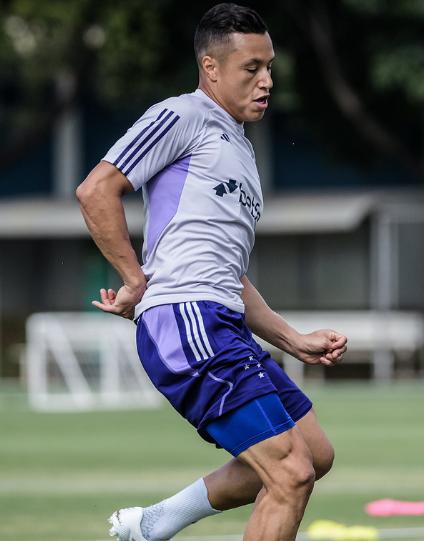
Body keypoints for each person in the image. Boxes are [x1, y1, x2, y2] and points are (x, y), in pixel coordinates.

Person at [76, 4, 348, 540]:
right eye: (252, 68)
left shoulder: (241, 151)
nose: (267, 81)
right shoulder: (182, 115)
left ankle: (154, 524)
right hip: (186, 320)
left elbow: (226, 271)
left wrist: (291, 339)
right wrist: (135, 279)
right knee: (288, 474)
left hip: (219, 318)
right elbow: (95, 189)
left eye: (270, 67)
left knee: (314, 454)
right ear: (211, 67)